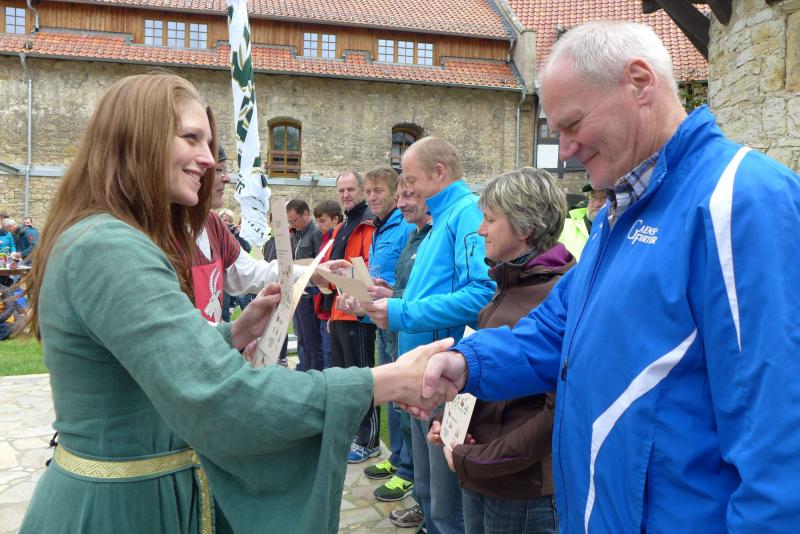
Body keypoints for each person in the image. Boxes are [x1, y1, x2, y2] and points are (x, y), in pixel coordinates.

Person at [19, 73, 456, 533]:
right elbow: (224, 394)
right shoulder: (110, 247)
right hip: (120, 511)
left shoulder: (105, 235)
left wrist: (236, 332)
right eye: (191, 138)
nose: (210, 159)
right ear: (137, 137)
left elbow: (162, 355)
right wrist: (383, 382)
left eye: (208, 143)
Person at [420, 21, 800, 532]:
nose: (565, 148)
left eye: (572, 124)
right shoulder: (617, 215)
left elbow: (778, 435)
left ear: (640, 82)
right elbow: (557, 331)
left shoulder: (738, 201)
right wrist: (466, 363)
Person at [360, 137, 496, 534]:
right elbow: (431, 292)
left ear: (439, 173)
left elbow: (482, 293)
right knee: (429, 491)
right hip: (422, 371)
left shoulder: (465, 213)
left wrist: (401, 311)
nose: (406, 188)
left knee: (448, 504)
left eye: (411, 178)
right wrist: (393, 299)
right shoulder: (440, 219)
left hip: (444, 376)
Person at [428, 168, 574, 534]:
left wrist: (481, 459)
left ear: (525, 228)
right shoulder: (508, 283)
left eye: (490, 219)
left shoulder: (556, 296)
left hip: (521, 488)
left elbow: (557, 414)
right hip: (481, 467)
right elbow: (489, 372)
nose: (480, 230)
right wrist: (451, 422)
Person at [355, 167, 415, 498]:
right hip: (381, 319)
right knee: (390, 391)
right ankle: (397, 459)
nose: (371, 197)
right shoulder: (379, 227)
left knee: (403, 392)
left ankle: (408, 469)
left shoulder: (406, 225)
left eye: (378, 191)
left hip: (400, 318)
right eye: (368, 191)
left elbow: (408, 278)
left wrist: (388, 291)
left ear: (394, 193)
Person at [322, 170, 380, 463]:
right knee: (344, 379)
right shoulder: (342, 227)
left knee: (363, 379)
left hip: (359, 313)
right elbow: (332, 269)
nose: (345, 195)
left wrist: (349, 279)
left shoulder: (368, 224)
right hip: (339, 310)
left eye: (351, 189)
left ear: (361, 190)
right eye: (341, 190)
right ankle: (352, 434)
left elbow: (370, 268)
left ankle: (369, 440)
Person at [287, 198, 324, 372]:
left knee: (312, 340)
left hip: (310, 295)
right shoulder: (297, 233)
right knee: (301, 337)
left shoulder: (315, 233)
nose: (292, 225)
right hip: (298, 293)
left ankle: (314, 373)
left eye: (294, 220)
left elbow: (321, 263)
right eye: (290, 221)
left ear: (306, 215)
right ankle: (303, 369)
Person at [313, 200, 343, 369]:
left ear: (336, 219)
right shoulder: (325, 240)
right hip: (322, 301)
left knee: (330, 353)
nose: (318, 225)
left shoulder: (336, 240)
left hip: (332, 304)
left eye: (322, 221)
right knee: (325, 350)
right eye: (317, 221)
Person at [558, 184, 606, 260]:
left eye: (605, 197)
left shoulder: (620, 231)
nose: (597, 204)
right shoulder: (564, 226)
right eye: (593, 197)